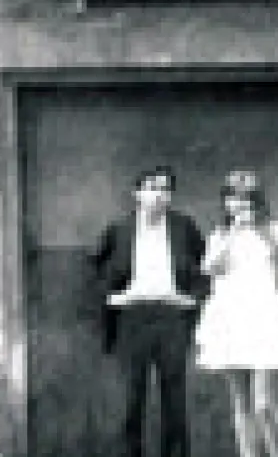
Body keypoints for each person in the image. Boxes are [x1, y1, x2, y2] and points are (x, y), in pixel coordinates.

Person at [193, 170, 278, 457]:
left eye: (246, 198)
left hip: (265, 317)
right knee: (240, 404)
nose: (239, 204)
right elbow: (209, 269)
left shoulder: (275, 232)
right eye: (232, 197)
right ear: (225, 202)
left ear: (256, 200)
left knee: (263, 404)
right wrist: (232, 234)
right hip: (230, 318)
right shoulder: (219, 235)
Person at [86, 166, 208, 457]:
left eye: (165, 189)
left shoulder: (184, 227)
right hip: (132, 317)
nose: (158, 195)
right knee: (130, 398)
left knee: (175, 398)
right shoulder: (119, 229)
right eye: (152, 188)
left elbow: (205, 266)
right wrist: (112, 298)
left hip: (172, 317)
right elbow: (95, 268)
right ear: (137, 193)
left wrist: (192, 299)